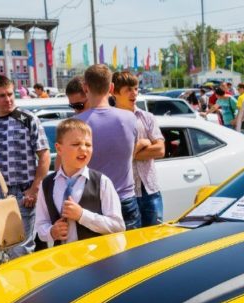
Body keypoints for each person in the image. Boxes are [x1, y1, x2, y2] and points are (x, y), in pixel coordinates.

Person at [0, 74, 50, 259]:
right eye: (1, 95)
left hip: (26, 193)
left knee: (21, 250)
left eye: (10, 94)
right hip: (1, 194)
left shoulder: (28, 119)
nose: (7, 99)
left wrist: (34, 189)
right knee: (7, 248)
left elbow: (44, 155)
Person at [35, 118, 124, 246]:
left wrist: (82, 215)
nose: (83, 149)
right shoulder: (47, 184)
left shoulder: (101, 182)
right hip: (60, 258)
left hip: (94, 259)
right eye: (76, 144)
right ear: (59, 149)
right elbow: (40, 225)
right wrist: (51, 232)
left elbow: (118, 226)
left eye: (88, 144)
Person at [76, 64, 141, 228]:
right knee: (132, 252)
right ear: (111, 87)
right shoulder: (130, 118)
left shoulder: (76, 124)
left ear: (85, 88)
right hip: (125, 199)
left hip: (91, 202)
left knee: (97, 254)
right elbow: (131, 153)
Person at [112, 70, 164, 227]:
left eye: (135, 88)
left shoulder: (146, 117)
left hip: (150, 190)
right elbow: (116, 158)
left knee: (155, 240)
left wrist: (129, 153)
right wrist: (142, 144)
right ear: (114, 92)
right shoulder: (110, 120)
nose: (133, 93)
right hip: (123, 193)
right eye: (128, 90)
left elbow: (160, 150)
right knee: (130, 244)